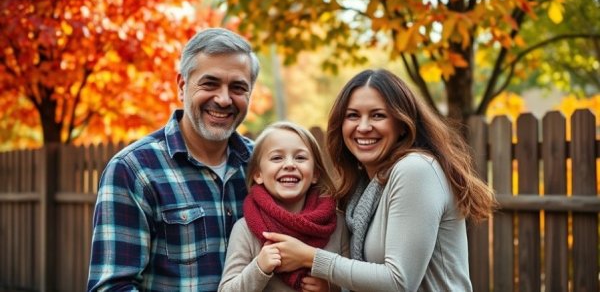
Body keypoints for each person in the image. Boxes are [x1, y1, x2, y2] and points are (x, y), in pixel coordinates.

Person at [262, 69, 496, 292]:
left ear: (402, 125)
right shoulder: (364, 187)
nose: (363, 127)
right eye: (353, 115)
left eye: (378, 115)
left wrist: (310, 257)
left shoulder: (415, 170)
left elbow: (399, 282)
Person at [87, 28, 261, 291]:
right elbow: (112, 287)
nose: (224, 99)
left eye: (237, 87)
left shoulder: (262, 166)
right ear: (182, 85)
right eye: (210, 83)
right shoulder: (134, 170)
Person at [218, 121, 348, 292]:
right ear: (258, 174)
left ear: (315, 174)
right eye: (277, 158)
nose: (289, 164)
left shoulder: (336, 224)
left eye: (300, 157)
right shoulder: (245, 229)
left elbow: (353, 282)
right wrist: (259, 267)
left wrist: (331, 288)